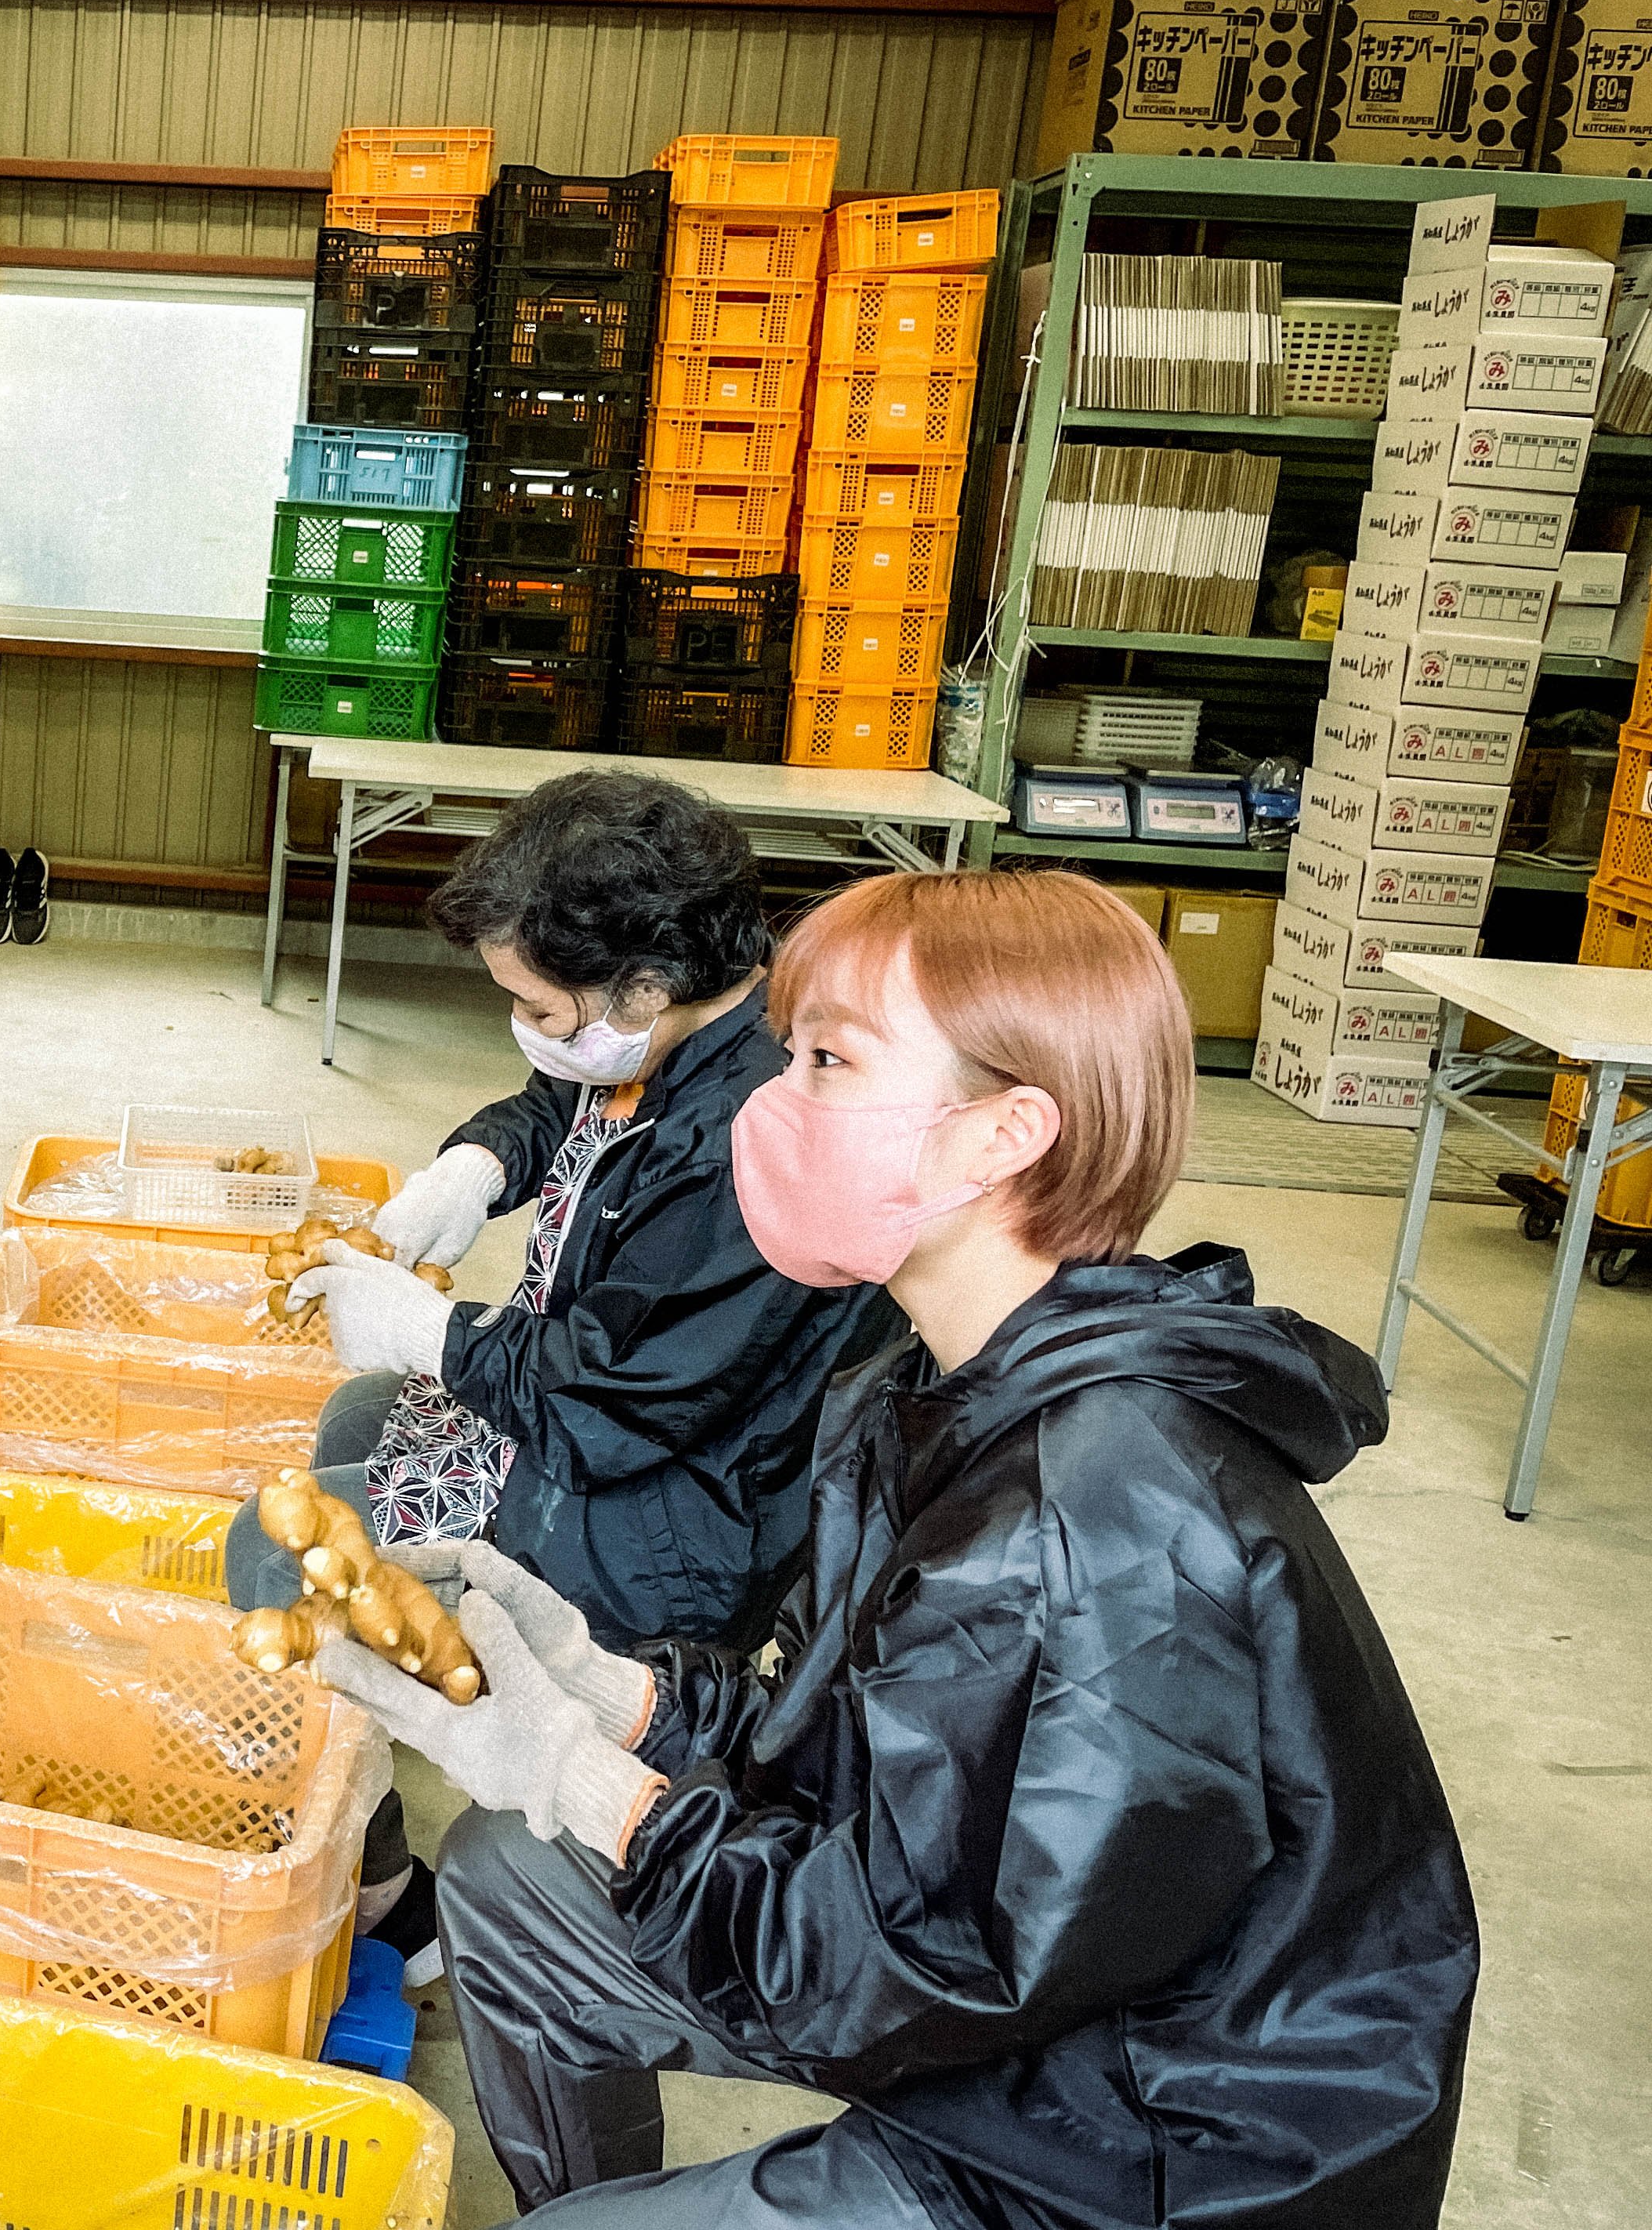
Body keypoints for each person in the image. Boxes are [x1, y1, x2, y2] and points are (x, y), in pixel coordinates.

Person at [313, 868, 1478, 2228]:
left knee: (563, 1837)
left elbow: (901, 1978)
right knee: (516, 1883)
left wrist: (592, 1784)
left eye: (824, 1063)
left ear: (1001, 1136)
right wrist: (618, 1694)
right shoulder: (923, 1392)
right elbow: (872, 1757)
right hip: (1011, 2020)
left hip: (1141, 2145)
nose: (764, 1101)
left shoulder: (1087, 1521)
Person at [226, 771, 897, 1970]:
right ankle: (392, 1744)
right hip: (629, 1425)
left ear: (646, 985)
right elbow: (560, 1093)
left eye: (540, 1003)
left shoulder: (755, 1137)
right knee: (362, 1412)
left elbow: (608, 1406)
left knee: (276, 1551)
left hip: (674, 1511)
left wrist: (434, 1335)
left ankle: (394, 1894)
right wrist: (478, 1165)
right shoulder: (689, 1027)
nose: (530, 1028)